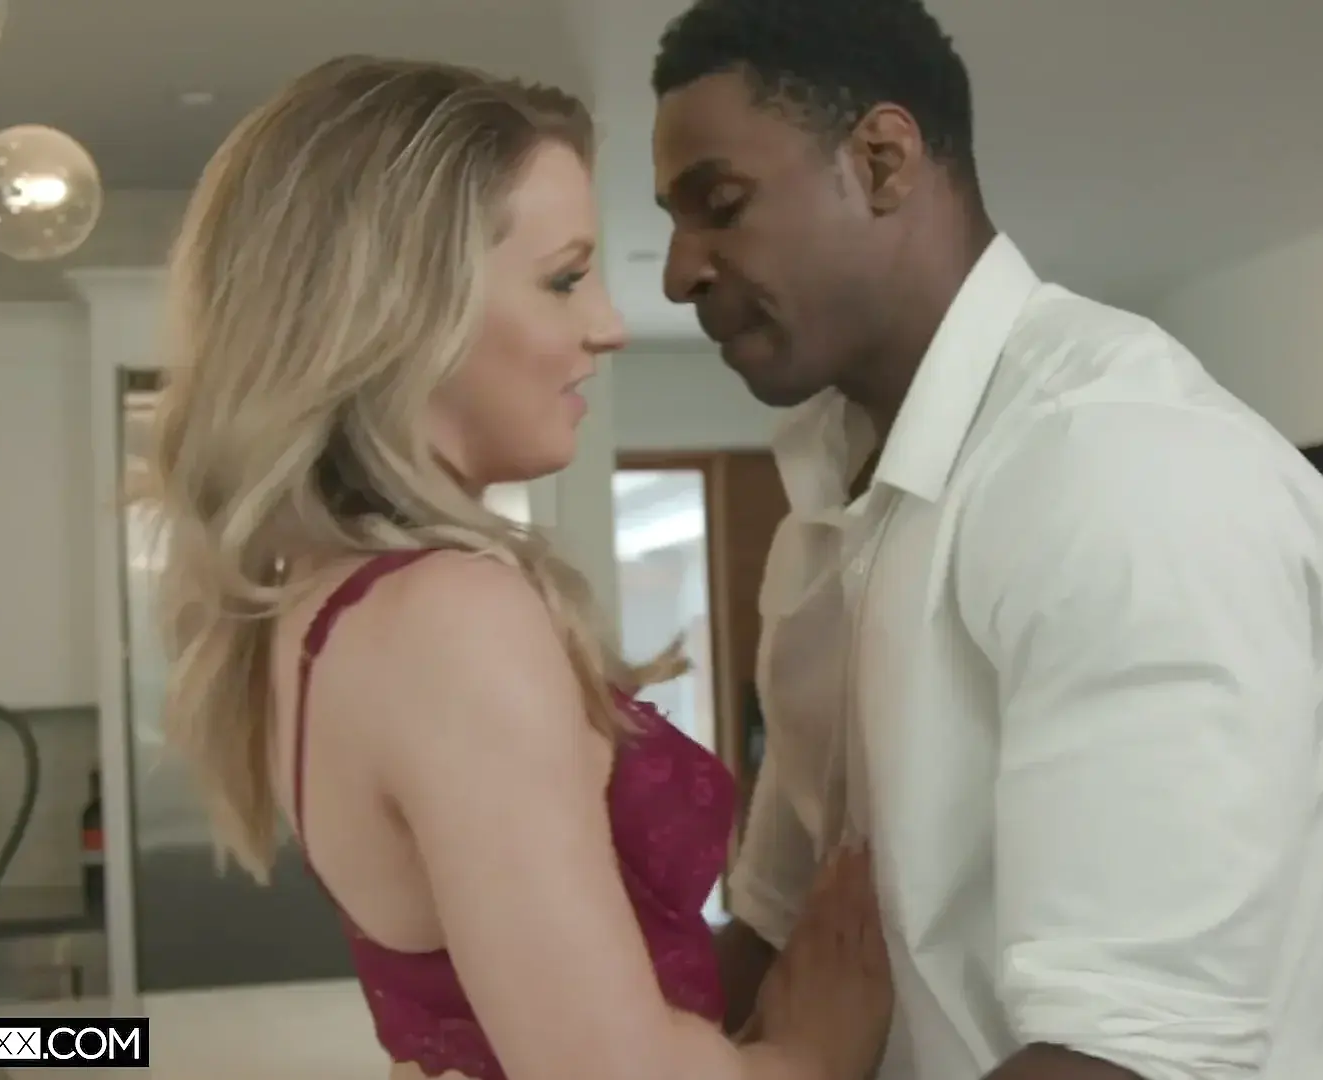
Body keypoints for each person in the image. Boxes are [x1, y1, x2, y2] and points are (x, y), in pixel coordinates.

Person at [649, 2, 1323, 1079]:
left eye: (720, 205)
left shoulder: (1122, 466)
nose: (678, 271)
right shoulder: (821, 503)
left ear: (881, 160)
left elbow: (1129, 1058)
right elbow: (782, 934)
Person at [143, 56, 891, 1080]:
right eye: (564, 279)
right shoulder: (447, 618)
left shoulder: (324, 612)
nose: (609, 325)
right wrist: (815, 1052)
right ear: (400, 310)